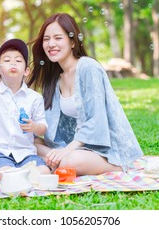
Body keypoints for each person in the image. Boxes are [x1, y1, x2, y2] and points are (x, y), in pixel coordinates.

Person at [27, 12, 143, 175]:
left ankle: (119, 167)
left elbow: (96, 120)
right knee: (28, 144)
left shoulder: (88, 68)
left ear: (73, 42)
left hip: (101, 150)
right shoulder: (53, 78)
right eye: (46, 39)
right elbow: (50, 125)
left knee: (69, 162)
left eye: (58, 38)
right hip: (73, 148)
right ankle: (57, 160)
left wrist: (66, 151)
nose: (51, 44)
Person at [0, 38, 50, 180]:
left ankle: (20, 176)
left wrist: (34, 126)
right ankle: (18, 176)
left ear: (26, 71)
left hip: (25, 153)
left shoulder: (35, 98)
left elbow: (42, 127)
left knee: (44, 171)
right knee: (5, 173)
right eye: (7, 60)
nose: (13, 63)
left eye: (18, 61)